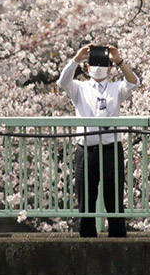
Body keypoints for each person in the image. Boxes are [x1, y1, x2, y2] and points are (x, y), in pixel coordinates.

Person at [58, 43, 140, 237]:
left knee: (114, 197)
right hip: (86, 150)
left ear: (110, 69)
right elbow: (63, 81)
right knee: (86, 197)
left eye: (102, 63)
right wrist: (77, 59)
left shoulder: (115, 88)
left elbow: (133, 82)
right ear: (87, 68)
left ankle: (117, 236)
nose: (97, 66)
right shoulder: (79, 88)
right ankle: (87, 237)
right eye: (93, 63)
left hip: (111, 149)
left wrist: (118, 60)